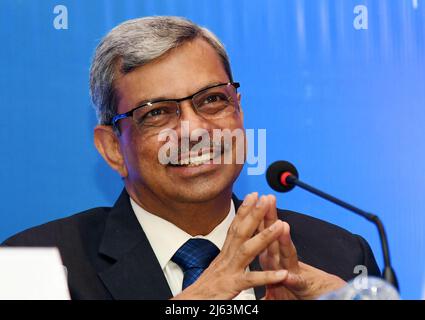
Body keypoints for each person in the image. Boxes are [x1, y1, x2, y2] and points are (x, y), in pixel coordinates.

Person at [2, 16, 380, 300]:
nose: (194, 130)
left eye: (212, 100)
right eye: (157, 112)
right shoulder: (35, 264)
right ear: (113, 148)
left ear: (239, 112)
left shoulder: (340, 255)